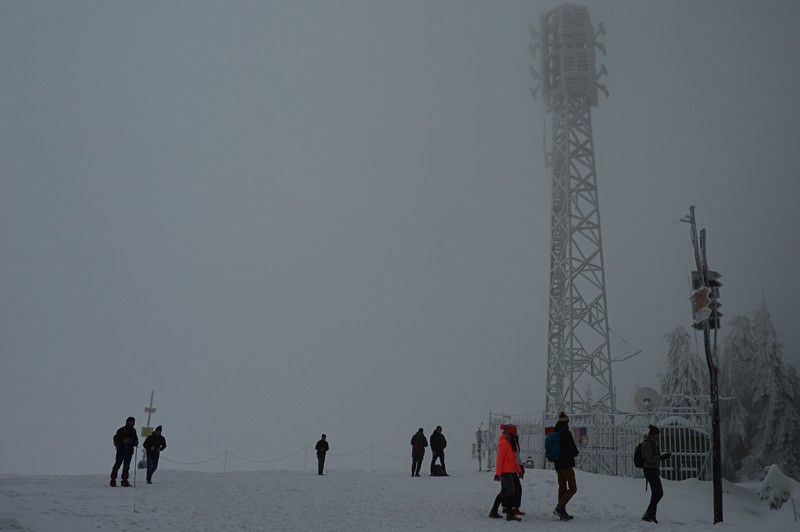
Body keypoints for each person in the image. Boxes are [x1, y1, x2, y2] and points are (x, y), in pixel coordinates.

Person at [489, 423, 522, 521]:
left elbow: (513, 460)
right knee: (511, 491)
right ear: (511, 432)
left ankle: (494, 511)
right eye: (515, 431)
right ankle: (509, 514)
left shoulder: (509, 442)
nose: (516, 433)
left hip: (509, 471)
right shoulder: (504, 442)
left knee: (504, 492)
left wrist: (519, 470)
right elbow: (500, 459)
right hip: (505, 472)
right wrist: (498, 474)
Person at [641, 424, 671, 523]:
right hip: (650, 471)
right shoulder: (647, 444)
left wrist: (662, 456)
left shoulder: (652, 443)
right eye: (657, 435)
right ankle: (648, 514)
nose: (658, 437)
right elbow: (649, 459)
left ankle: (651, 515)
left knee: (656, 493)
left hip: (653, 471)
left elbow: (653, 456)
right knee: (659, 493)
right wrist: (661, 457)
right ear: (652, 435)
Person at [552, 412, 579, 520]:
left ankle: (562, 512)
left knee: (562, 488)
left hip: (558, 464)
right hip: (566, 464)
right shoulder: (566, 433)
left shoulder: (556, 432)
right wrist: (576, 452)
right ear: (566, 422)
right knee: (573, 488)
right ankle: (559, 508)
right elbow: (571, 448)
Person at [110, 416, 139, 487]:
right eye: (130, 421)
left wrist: (135, 442)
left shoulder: (133, 431)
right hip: (121, 450)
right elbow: (116, 439)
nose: (131, 423)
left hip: (129, 451)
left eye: (133, 422)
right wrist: (123, 442)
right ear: (127, 422)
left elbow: (135, 439)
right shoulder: (122, 430)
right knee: (117, 464)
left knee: (126, 466)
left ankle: (124, 480)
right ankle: (113, 480)